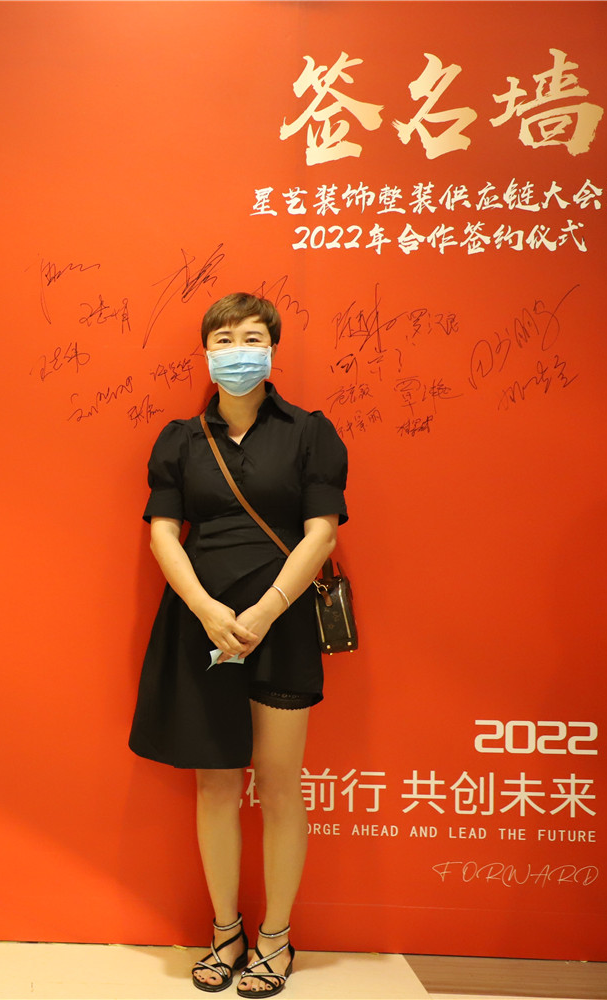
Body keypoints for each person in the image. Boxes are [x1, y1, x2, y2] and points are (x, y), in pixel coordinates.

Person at [128, 292, 348, 998]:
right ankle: (226, 933)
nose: (238, 351)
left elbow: (322, 533)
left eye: (252, 337)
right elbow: (164, 532)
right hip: (202, 627)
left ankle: (276, 938)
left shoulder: (311, 433)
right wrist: (207, 610)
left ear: (272, 348)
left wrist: (265, 609)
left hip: (281, 625)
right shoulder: (179, 440)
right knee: (217, 783)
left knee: (280, 786)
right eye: (224, 339)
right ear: (206, 352)